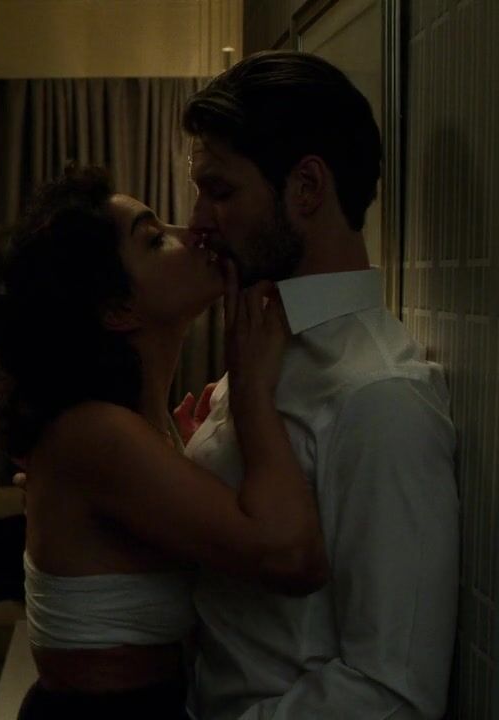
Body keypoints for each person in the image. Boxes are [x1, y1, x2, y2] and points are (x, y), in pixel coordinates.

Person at [0, 165, 329, 719]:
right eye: (155, 239)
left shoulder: (132, 427)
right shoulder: (98, 432)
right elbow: (294, 559)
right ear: (117, 309)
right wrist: (252, 394)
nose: (194, 234)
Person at [177, 50, 458, 720]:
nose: (198, 223)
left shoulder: (378, 397)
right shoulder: (262, 346)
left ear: (305, 187)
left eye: (221, 192)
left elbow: (391, 691)